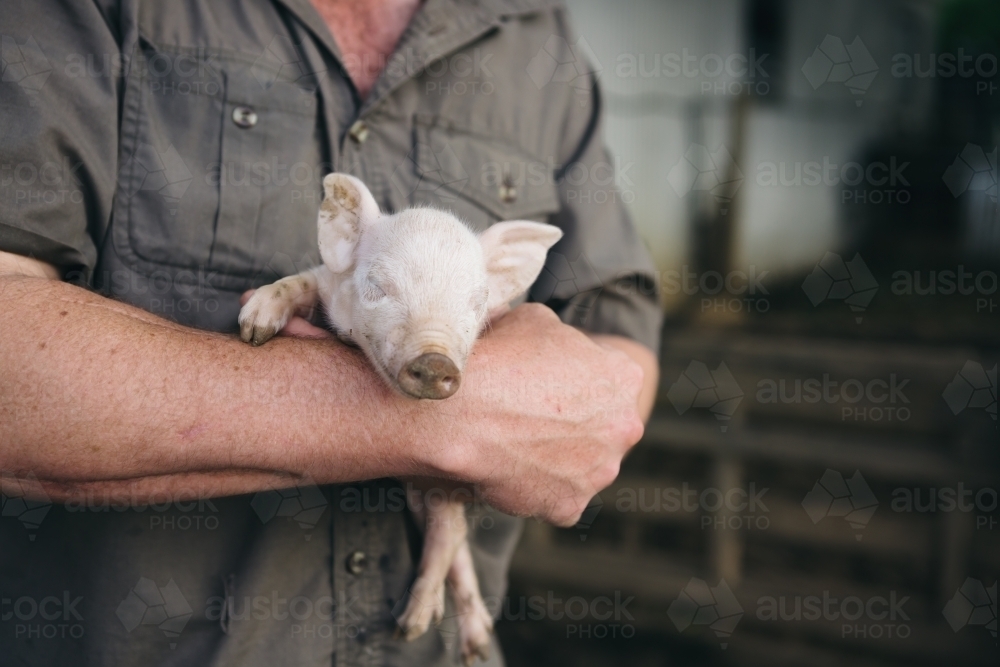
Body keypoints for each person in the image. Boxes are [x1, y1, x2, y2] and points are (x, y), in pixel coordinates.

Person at [0, 0, 661, 665]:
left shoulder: (532, 29)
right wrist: (438, 425)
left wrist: (565, 420)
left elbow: (615, 349)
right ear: (341, 227)